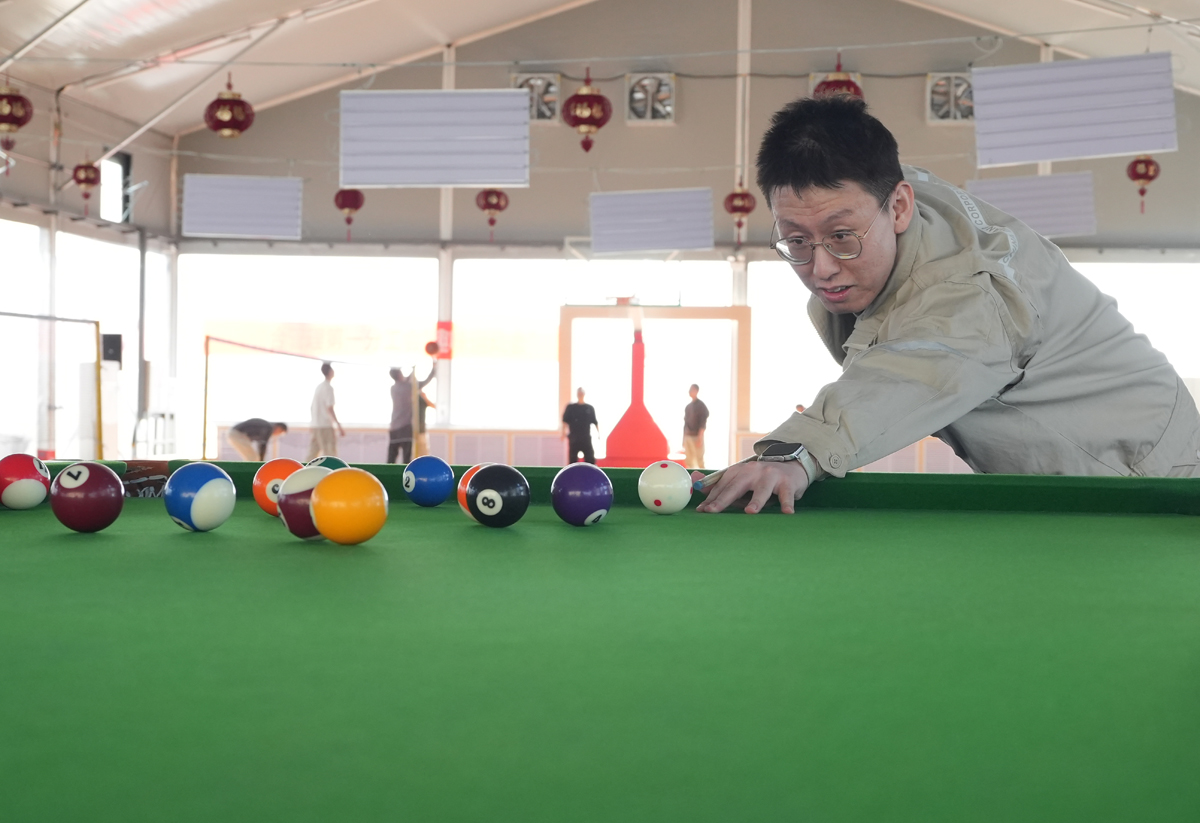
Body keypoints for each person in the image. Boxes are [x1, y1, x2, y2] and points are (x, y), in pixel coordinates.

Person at [697, 94, 1200, 515]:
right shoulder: (879, 190)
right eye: (796, 240)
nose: (821, 267)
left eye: (842, 236)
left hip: (1146, 472)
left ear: (899, 207)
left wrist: (794, 453)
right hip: (1073, 474)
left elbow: (909, 370)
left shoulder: (969, 291)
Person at [387, 363, 434, 464]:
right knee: (406, 459)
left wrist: (412, 371)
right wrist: (433, 369)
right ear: (399, 375)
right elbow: (425, 381)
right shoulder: (408, 388)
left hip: (394, 428)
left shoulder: (393, 388)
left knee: (391, 458)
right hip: (405, 428)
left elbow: (407, 379)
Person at [306, 362, 344, 462]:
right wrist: (339, 426)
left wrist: (312, 423)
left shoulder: (319, 387)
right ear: (330, 372)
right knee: (330, 453)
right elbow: (329, 408)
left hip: (316, 425)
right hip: (325, 425)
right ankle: (332, 471)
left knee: (312, 454)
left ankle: (304, 469)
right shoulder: (328, 388)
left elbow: (312, 407)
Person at [562, 387, 599, 464]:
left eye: (581, 393)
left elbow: (595, 422)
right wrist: (563, 433)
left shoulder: (589, 408)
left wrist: (598, 435)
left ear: (584, 394)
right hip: (574, 438)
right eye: (579, 393)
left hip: (586, 438)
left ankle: (590, 471)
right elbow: (565, 421)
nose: (580, 395)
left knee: (590, 459)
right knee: (572, 459)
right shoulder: (571, 408)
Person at [683, 384, 709, 469]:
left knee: (699, 459)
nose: (690, 391)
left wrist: (700, 437)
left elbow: (703, 422)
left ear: (696, 391)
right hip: (688, 436)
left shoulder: (701, 406)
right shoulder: (688, 407)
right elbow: (685, 424)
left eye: (692, 390)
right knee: (689, 461)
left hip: (696, 436)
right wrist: (684, 439)